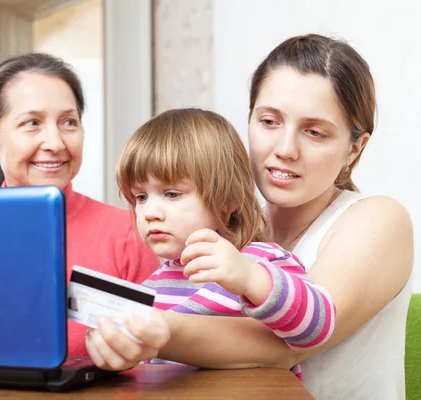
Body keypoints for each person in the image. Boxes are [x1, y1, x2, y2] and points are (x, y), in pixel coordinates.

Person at [85, 34, 413, 400]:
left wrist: (149, 326)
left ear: (355, 147)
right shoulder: (214, 230)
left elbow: (282, 348)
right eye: (269, 122)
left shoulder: (378, 219)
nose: (285, 149)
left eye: (315, 132)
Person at [113, 108, 337, 379]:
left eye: (171, 194)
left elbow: (319, 327)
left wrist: (249, 278)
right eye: (140, 197)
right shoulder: (152, 288)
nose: (150, 212)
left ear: (227, 200)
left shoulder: (261, 261)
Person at [0, 53, 160, 356]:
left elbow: (154, 358)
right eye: (32, 123)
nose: (56, 143)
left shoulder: (128, 233)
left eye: (68, 122)